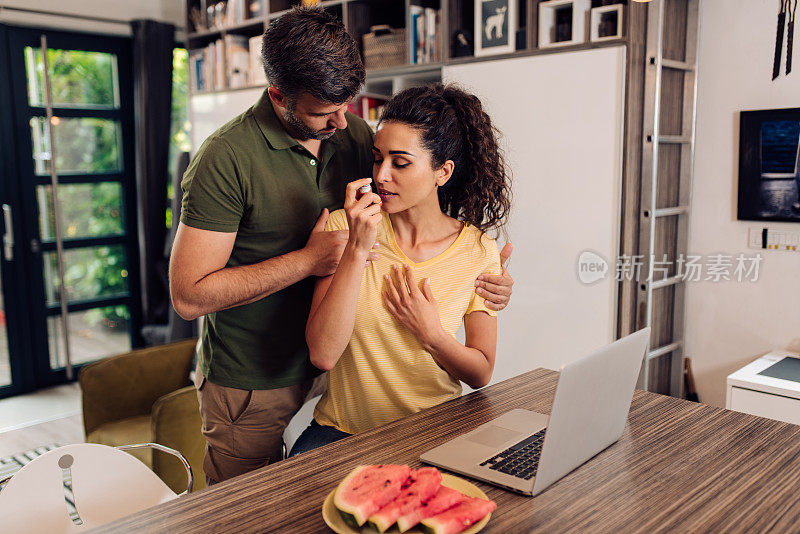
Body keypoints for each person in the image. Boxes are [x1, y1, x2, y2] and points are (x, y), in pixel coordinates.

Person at [169, 8, 515, 484]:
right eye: (322, 112)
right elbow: (188, 296)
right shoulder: (224, 159)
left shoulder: (353, 136)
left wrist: (489, 282)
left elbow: (419, 195)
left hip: (344, 378)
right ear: (279, 96)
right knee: (251, 511)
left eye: (346, 105)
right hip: (256, 376)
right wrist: (313, 259)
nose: (340, 122)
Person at [291, 84, 512, 455]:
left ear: (443, 172)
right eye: (378, 159)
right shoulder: (345, 227)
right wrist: (356, 250)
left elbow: (481, 372)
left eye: (401, 162)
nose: (382, 175)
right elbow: (323, 354)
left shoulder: (479, 252)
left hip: (434, 437)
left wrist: (432, 335)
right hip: (342, 435)